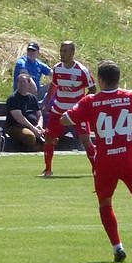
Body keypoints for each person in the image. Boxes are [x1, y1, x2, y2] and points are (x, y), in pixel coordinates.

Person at [62, 61, 132, 263]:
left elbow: (65, 119)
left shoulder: (90, 101)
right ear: (118, 79)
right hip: (128, 158)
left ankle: (117, 248)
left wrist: (82, 112)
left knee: (105, 202)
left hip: (104, 161)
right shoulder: (131, 96)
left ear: (100, 80)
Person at [41, 41, 97, 177]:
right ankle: (48, 169)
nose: (62, 54)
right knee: (49, 138)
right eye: (61, 50)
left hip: (77, 112)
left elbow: (93, 89)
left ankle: (97, 169)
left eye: (65, 51)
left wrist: (83, 104)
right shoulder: (57, 68)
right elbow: (54, 85)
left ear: (72, 52)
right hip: (59, 110)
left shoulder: (82, 70)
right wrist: (47, 101)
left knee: (85, 139)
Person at [5, 74, 45, 151]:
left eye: (24, 82)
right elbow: (19, 118)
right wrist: (33, 129)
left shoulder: (33, 98)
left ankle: (37, 147)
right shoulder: (13, 98)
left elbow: (39, 115)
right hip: (17, 126)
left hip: (34, 126)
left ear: (29, 83)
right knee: (30, 137)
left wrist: (39, 126)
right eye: (19, 82)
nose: (21, 84)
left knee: (53, 137)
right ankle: (38, 147)